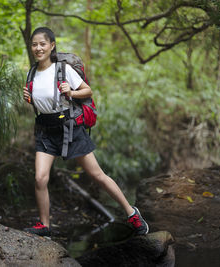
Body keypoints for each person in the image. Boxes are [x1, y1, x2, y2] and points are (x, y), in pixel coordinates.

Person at [22, 27, 148, 237]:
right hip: (45, 128)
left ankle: (132, 213)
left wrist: (71, 92)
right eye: (34, 44)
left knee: (97, 175)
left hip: (69, 128)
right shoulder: (32, 72)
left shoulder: (63, 69)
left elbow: (87, 90)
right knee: (40, 179)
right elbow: (42, 100)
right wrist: (29, 98)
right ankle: (44, 225)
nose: (38, 48)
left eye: (42, 44)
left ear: (52, 45)